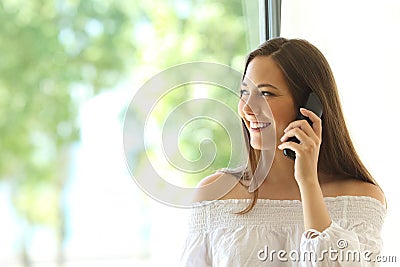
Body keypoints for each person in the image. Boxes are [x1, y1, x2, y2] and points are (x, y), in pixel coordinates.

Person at [179, 38, 386, 266]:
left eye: (266, 94)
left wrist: (307, 183)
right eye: (245, 92)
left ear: (309, 106)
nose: (247, 108)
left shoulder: (361, 200)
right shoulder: (215, 195)